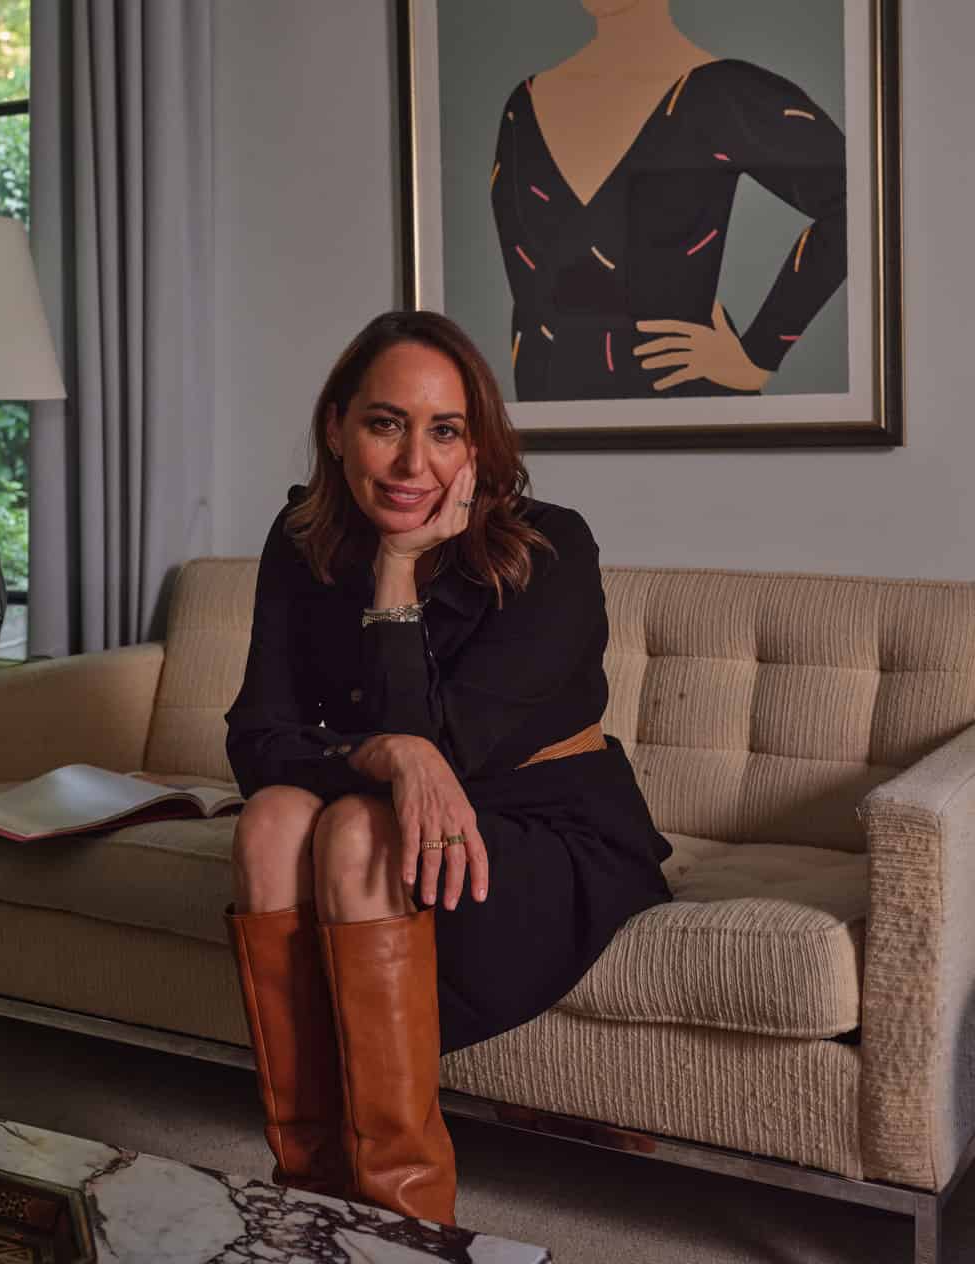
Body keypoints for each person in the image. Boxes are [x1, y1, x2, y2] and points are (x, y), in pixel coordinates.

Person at [223, 309, 672, 1226]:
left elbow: (451, 749)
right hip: (400, 811)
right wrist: (387, 751)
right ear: (337, 428)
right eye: (386, 424)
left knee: (355, 830)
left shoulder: (550, 549)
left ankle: (406, 1214)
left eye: (444, 431)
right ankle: (311, 1186)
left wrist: (396, 573)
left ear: (477, 447)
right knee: (270, 820)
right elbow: (257, 737)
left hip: (550, 833)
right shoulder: (301, 538)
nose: (410, 463)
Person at [490, 0, 846, 400]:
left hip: (690, 413)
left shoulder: (724, 93)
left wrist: (758, 355)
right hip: (556, 420)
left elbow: (861, 200)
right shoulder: (523, 105)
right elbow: (531, 303)